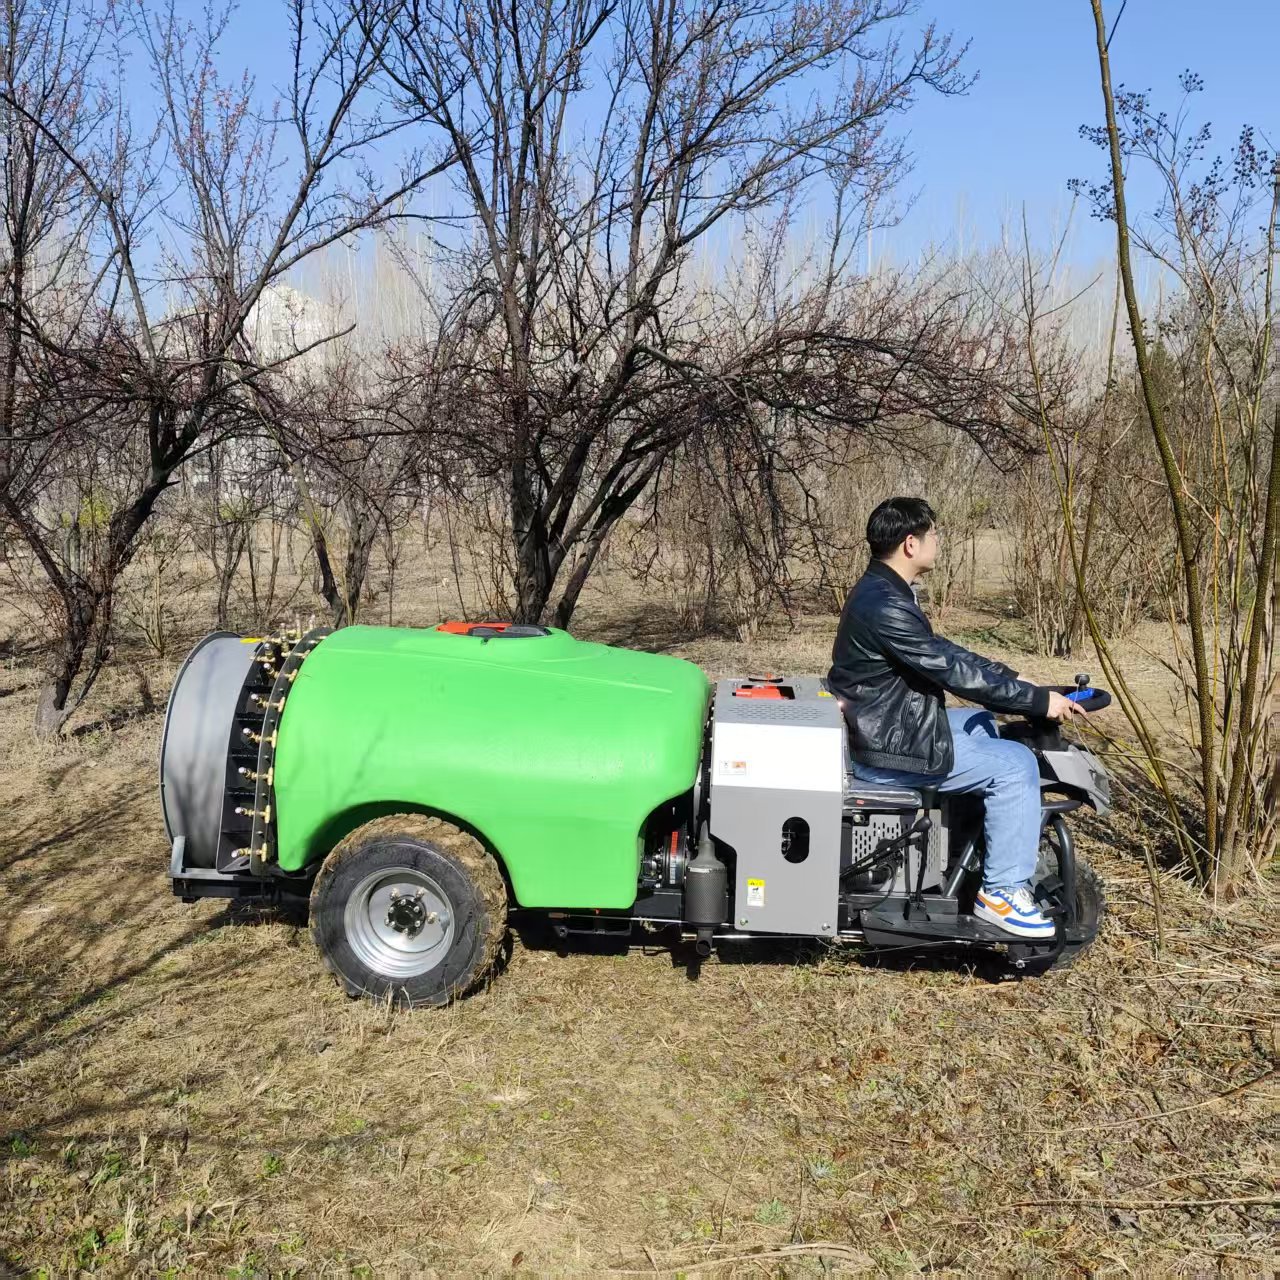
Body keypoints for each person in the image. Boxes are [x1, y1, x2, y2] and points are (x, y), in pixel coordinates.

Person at [827, 496, 1084, 939]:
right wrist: (1038, 703)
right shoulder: (885, 603)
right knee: (1015, 765)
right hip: (883, 746)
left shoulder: (884, 589)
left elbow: (942, 650)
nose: (938, 542)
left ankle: (971, 852)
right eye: (933, 534)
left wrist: (1017, 680)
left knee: (982, 723)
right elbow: (951, 672)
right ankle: (1001, 894)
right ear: (911, 543)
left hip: (887, 721)